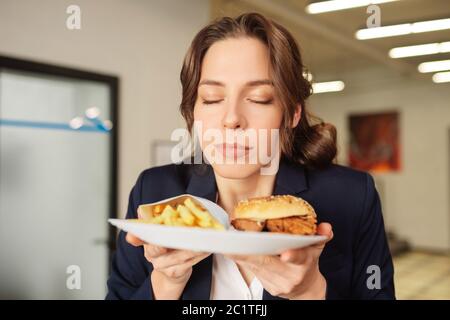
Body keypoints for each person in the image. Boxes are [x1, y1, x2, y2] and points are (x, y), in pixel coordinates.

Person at [106, 12, 395, 300]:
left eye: (259, 99)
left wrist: (311, 293)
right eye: (212, 99)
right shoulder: (155, 194)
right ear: (193, 111)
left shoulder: (352, 197)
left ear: (292, 113)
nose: (231, 119)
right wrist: (165, 285)